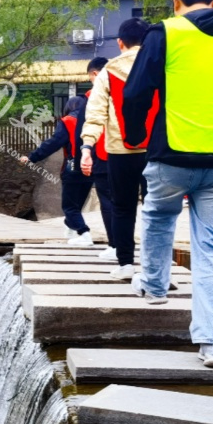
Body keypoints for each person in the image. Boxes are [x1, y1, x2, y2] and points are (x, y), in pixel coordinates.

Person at [119, 0, 213, 370]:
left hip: (173, 154)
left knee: (159, 215)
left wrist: (132, 136)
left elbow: (137, 92)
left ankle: (156, 286)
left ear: (175, 0)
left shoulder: (166, 33)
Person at [82, 19, 153, 279]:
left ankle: (125, 264)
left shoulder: (108, 71)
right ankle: (155, 267)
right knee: (155, 209)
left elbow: (96, 113)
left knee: (123, 207)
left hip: (120, 151)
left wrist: (87, 145)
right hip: (156, 151)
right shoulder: (161, 65)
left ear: (120, 43)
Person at [28, 66, 103, 246]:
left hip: (72, 167)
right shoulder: (93, 119)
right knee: (76, 205)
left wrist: (33, 157)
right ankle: (70, 230)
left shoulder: (68, 121)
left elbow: (53, 143)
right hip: (92, 167)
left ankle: (84, 234)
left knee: (69, 205)